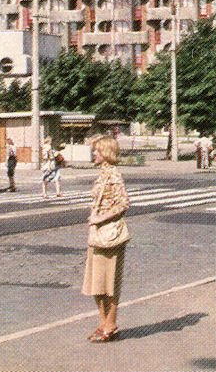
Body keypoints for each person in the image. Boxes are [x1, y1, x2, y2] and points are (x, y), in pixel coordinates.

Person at [83, 133, 130, 343]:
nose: (94, 153)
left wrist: (99, 218)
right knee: (97, 283)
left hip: (110, 236)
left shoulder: (114, 175)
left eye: (97, 150)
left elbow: (123, 204)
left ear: (105, 152)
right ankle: (103, 323)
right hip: (97, 235)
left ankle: (111, 324)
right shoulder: (103, 174)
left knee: (109, 283)